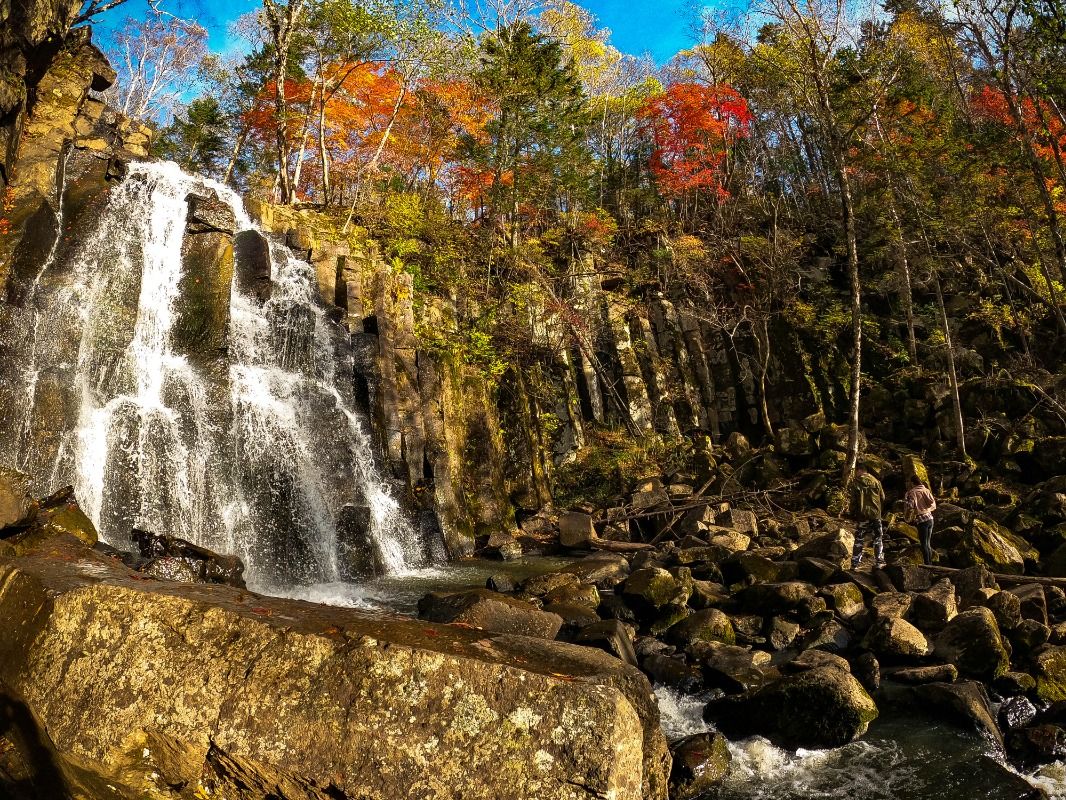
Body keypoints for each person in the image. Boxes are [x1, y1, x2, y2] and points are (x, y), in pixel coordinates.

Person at [850, 464, 886, 570]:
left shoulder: (856, 483)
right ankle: (879, 562)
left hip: (862, 515)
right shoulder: (876, 482)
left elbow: (853, 501)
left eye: (856, 472)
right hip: (875, 515)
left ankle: (855, 564)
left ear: (860, 471)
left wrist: (852, 512)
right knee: (878, 537)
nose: (856, 474)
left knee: (859, 539)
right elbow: (883, 497)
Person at [904, 474, 937, 565]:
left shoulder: (912, 492)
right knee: (928, 543)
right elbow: (932, 503)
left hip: (921, 520)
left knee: (924, 544)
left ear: (912, 483)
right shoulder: (926, 490)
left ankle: (928, 564)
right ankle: (930, 563)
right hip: (930, 518)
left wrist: (906, 499)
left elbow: (910, 506)